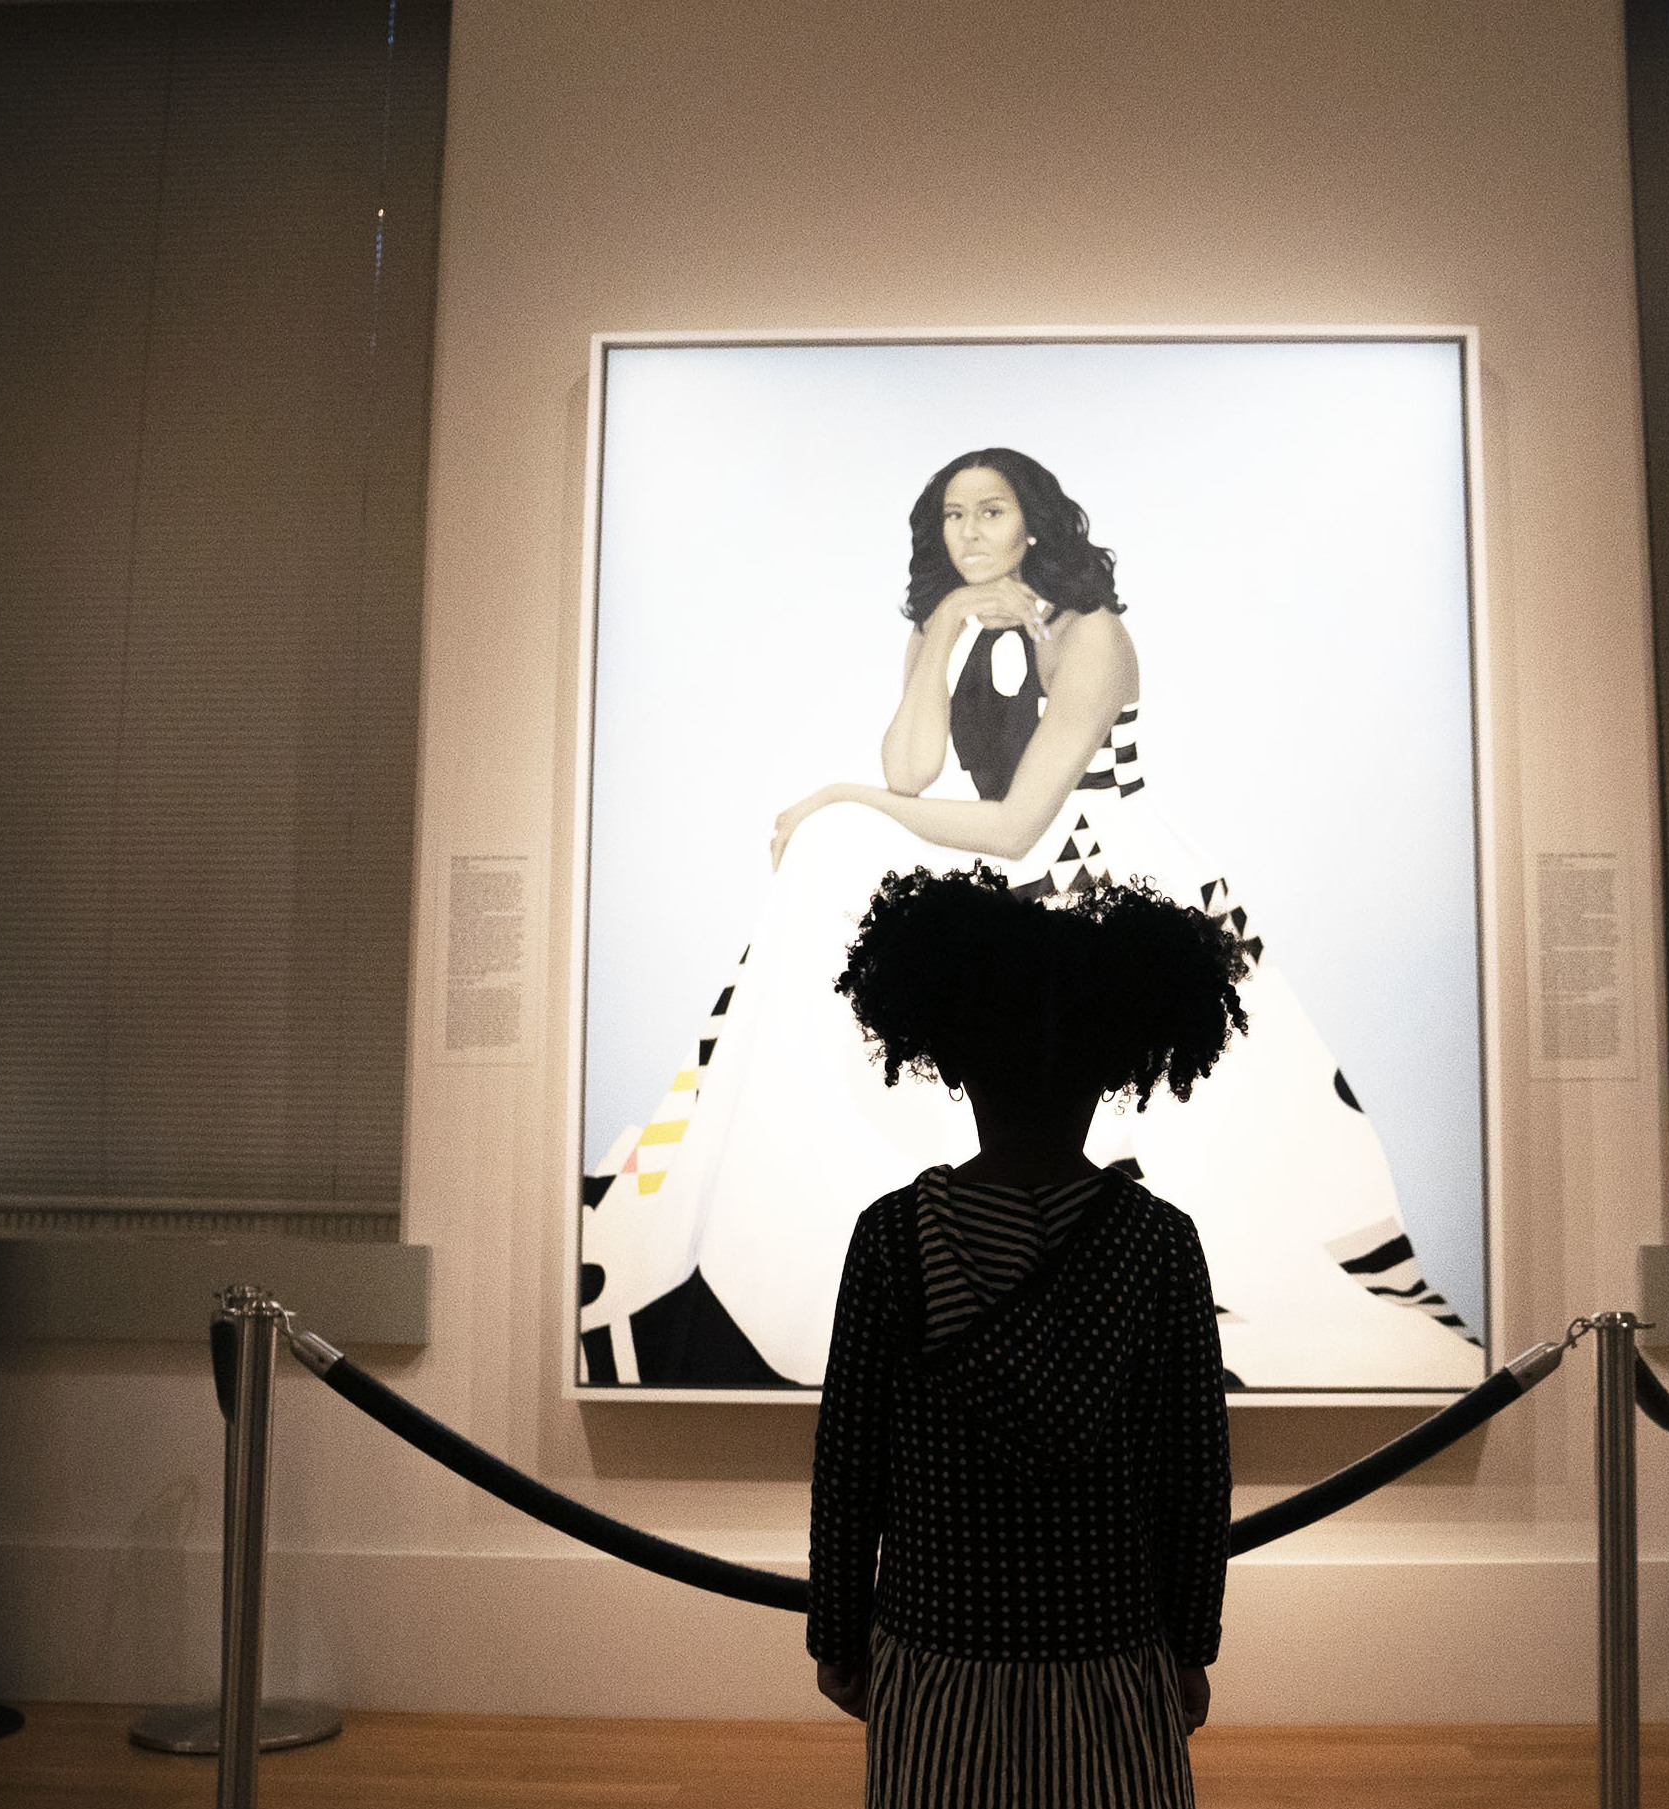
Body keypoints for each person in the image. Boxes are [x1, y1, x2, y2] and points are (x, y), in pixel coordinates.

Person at [579, 447, 1478, 1392]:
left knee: (1187, 1167)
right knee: (832, 862)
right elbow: (914, 772)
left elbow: (1019, 824)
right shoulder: (946, 623)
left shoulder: (1090, 634)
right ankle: (772, 1220)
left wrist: (837, 796)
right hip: (1005, 872)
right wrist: (941, 637)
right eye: (953, 517)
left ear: (1034, 522)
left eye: (991, 512)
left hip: (1104, 887)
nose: (970, 533)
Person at [807, 866, 1237, 1809]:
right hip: (1104, 1645)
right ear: (1118, 1068)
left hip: (941, 1644)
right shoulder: (1156, 1246)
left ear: (948, 1055)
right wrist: (1189, 1640)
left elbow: (849, 1462)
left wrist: (837, 1629)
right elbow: (1194, 1473)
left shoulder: (893, 1239)